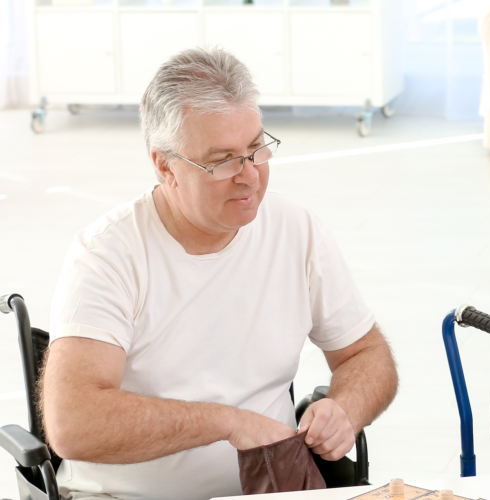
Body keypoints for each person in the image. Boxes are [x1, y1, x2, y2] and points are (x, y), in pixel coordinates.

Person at [41, 47, 399, 500]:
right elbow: (74, 423)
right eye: (222, 159)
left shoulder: (295, 229)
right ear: (165, 165)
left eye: (256, 149)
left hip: (274, 489)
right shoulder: (109, 254)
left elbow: (366, 354)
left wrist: (344, 409)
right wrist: (228, 422)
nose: (249, 176)